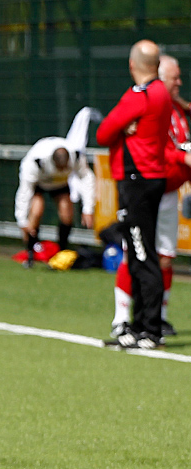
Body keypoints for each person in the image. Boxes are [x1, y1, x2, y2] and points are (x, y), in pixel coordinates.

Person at [99, 40, 174, 349]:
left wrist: (123, 128)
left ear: (132, 65)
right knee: (140, 251)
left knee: (142, 254)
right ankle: (140, 326)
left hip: (136, 180)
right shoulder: (162, 94)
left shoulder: (139, 96)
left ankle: (149, 329)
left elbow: (103, 133)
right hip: (151, 178)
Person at [109, 54, 186, 341]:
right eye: (174, 78)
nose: (179, 83)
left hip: (167, 192)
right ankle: (124, 320)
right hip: (146, 188)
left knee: (163, 258)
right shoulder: (147, 104)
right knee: (138, 255)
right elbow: (155, 149)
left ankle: (157, 320)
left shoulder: (176, 109)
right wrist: (182, 157)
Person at [14, 135, 96, 269]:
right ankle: (30, 254)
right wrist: (21, 219)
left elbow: (86, 178)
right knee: (36, 211)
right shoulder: (35, 162)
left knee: (67, 214)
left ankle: (61, 252)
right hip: (39, 183)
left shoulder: (76, 155)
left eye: (65, 168)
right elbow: (25, 191)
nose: (63, 170)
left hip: (60, 184)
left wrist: (88, 209)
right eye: (60, 168)